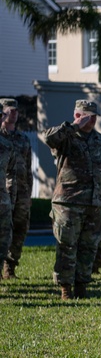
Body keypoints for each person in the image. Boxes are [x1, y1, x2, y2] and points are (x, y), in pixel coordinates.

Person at [38, 100, 101, 300]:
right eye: (86, 116)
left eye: (93, 116)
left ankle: (82, 286)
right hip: (68, 203)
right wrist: (73, 127)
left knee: (89, 247)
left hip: (94, 203)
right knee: (67, 246)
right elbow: (48, 138)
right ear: (77, 115)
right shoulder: (66, 137)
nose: (91, 120)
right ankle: (66, 288)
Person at [1, 98, 32, 280]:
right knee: (3, 230)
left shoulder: (23, 139)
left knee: (20, 229)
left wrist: (28, 194)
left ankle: (10, 267)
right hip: (3, 192)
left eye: (15, 111)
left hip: (21, 192)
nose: (13, 114)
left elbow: (28, 169)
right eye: (9, 111)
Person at [0, 107, 17, 271]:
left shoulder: (6, 146)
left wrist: (10, 197)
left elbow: (11, 173)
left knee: (4, 239)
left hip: (3, 200)